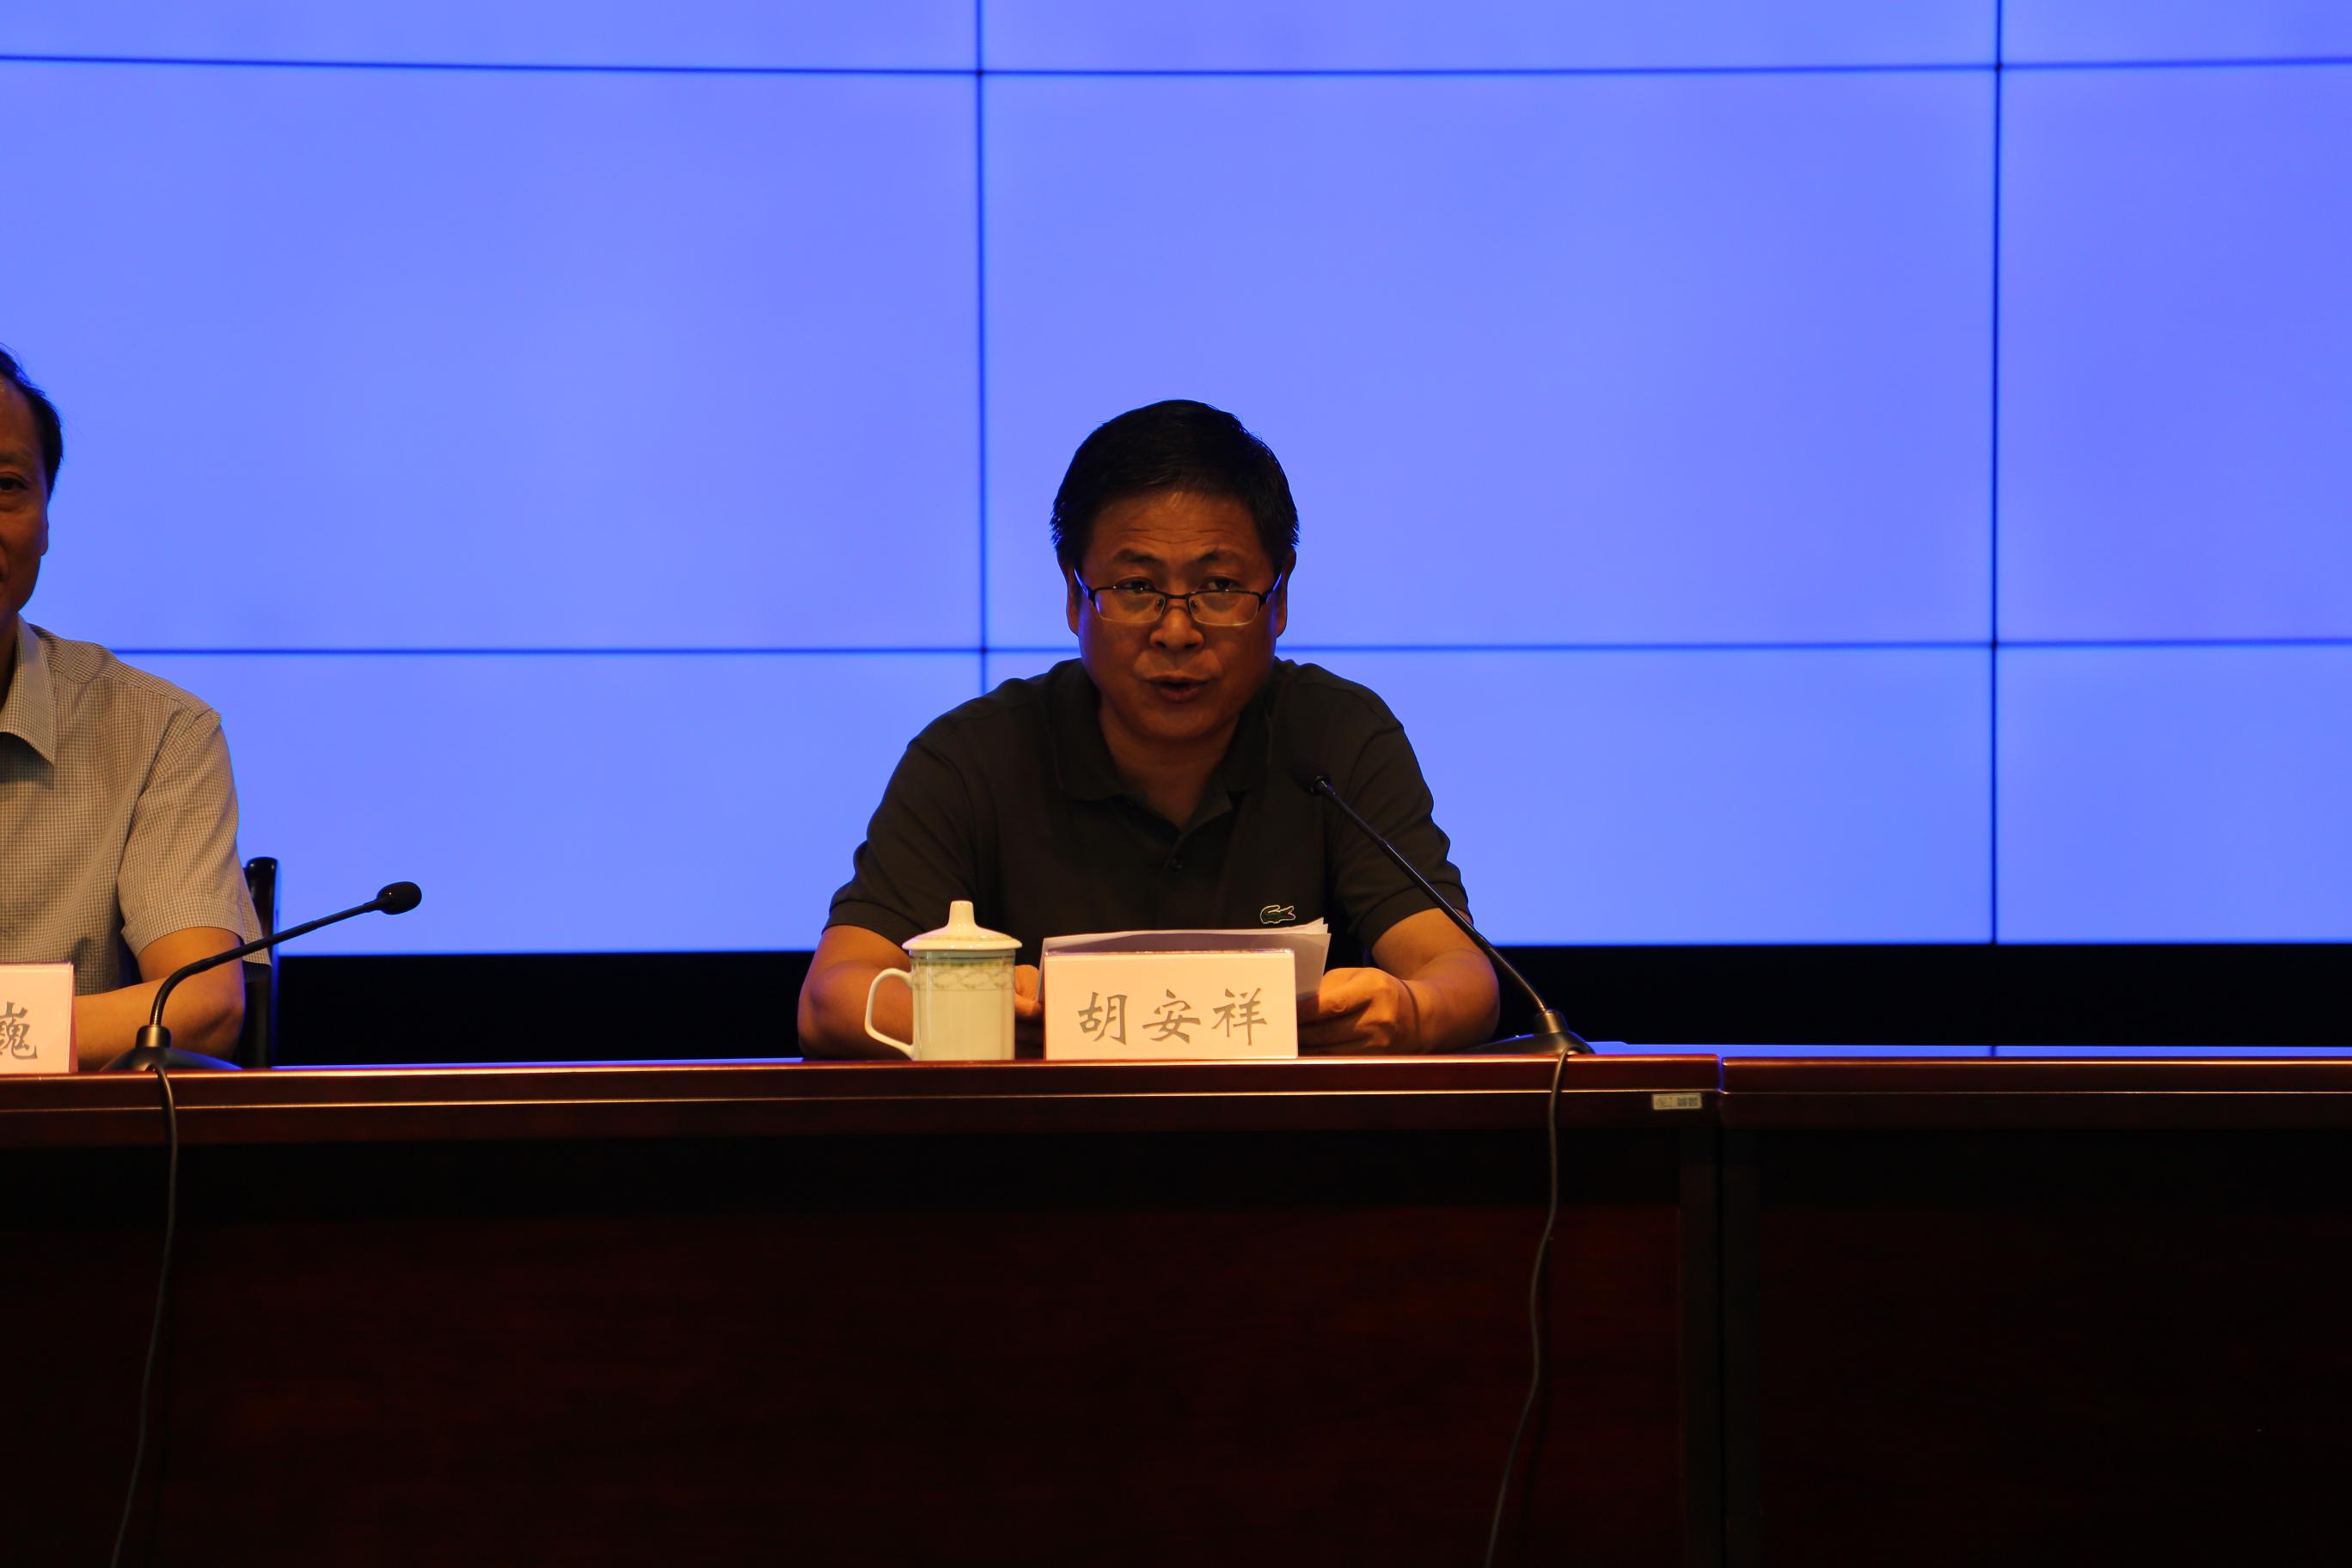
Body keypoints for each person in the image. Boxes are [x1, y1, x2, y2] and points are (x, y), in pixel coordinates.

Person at [798, 399, 1499, 1057]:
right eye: (1136, 588)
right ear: (1074, 595)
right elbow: (833, 997)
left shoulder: (1337, 736)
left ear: (1280, 595)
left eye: (1219, 587)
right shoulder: (974, 755)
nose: (1176, 631)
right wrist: (994, 1018)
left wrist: (1409, 1012)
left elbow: (1461, 974)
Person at [0, 346, 259, 1068]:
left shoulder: (155, 731)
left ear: (46, 520)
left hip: (63, 1139)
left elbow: (201, 1006)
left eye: (7, 485)